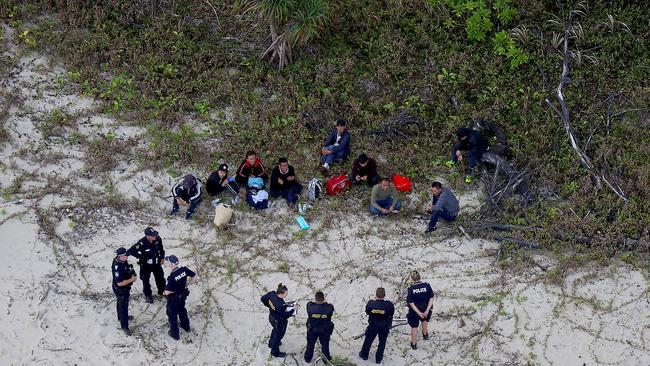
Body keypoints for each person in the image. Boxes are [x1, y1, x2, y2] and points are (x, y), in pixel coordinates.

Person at [127, 227, 166, 304]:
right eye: (153, 235)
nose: (155, 236)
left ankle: (162, 291)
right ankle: (148, 295)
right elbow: (131, 251)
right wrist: (140, 257)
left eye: (155, 234)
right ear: (148, 236)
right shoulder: (142, 243)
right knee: (145, 281)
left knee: (160, 278)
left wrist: (162, 258)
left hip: (156, 263)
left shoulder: (158, 239)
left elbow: (161, 249)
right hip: (145, 265)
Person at [163, 255, 196, 340]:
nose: (166, 263)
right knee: (182, 310)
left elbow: (167, 291)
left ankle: (175, 334)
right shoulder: (184, 270)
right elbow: (194, 276)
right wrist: (187, 285)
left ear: (172, 264)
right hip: (183, 296)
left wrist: (167, 293)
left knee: (172, 315)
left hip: (174, 299)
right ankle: (186, 327)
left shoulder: (171, 277)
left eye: (167, 261)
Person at [359, 287, 394, 364]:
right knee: (382, 342)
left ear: (376, 295)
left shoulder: (371, 304)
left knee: (368, 340)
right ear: (384, 295)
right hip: (384, 325)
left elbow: (367, 312)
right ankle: (378, 359)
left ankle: (364, 355)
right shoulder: (389, 305)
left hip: (373, 325)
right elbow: (391, 314)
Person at [261, 283, 296, 358]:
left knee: (274, 330)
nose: (287, 295)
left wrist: (270, 306)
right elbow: (285, 316)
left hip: (271, 317)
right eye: (286, 293)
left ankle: (270, 343)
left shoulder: (272, 294)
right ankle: (275, 352)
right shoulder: (280, 305)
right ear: (281, 294)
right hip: (279, 322)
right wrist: (293, 309)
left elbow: (263, 299)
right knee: (278, 336)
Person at [406, 270, 435, 350]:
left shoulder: (411, 289)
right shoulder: (427, 286)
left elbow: (411, 303)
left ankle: (414, 343)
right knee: (425, 320)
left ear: (412, 279)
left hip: (415, 311)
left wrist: (418, 312)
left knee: (414, 326)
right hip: (426, 308)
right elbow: (431, 298)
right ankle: (425, 334)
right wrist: (427, 310)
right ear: (419, 277)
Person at [111, 247, 137, 336]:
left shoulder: (122, 261)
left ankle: (121, 317)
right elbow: (120, 283)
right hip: (121, 289)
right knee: (123, 307)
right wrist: (131, 279)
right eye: (126, 255)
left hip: (125, 288)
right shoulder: (117, 267)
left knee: (120, 304)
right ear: (120, 256)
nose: (127, 257)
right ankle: (124, 326)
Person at [304, 291, 335, 363]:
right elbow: (330, 306)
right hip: (325, 330)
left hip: (312, 330)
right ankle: (326, 360)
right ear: (323, 299)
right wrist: (325, 303)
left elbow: (309, 303)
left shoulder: (310, 307)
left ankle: (307, 358)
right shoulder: (329, 308)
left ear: (315, 299)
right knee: (325, 345)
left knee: (310, 344)